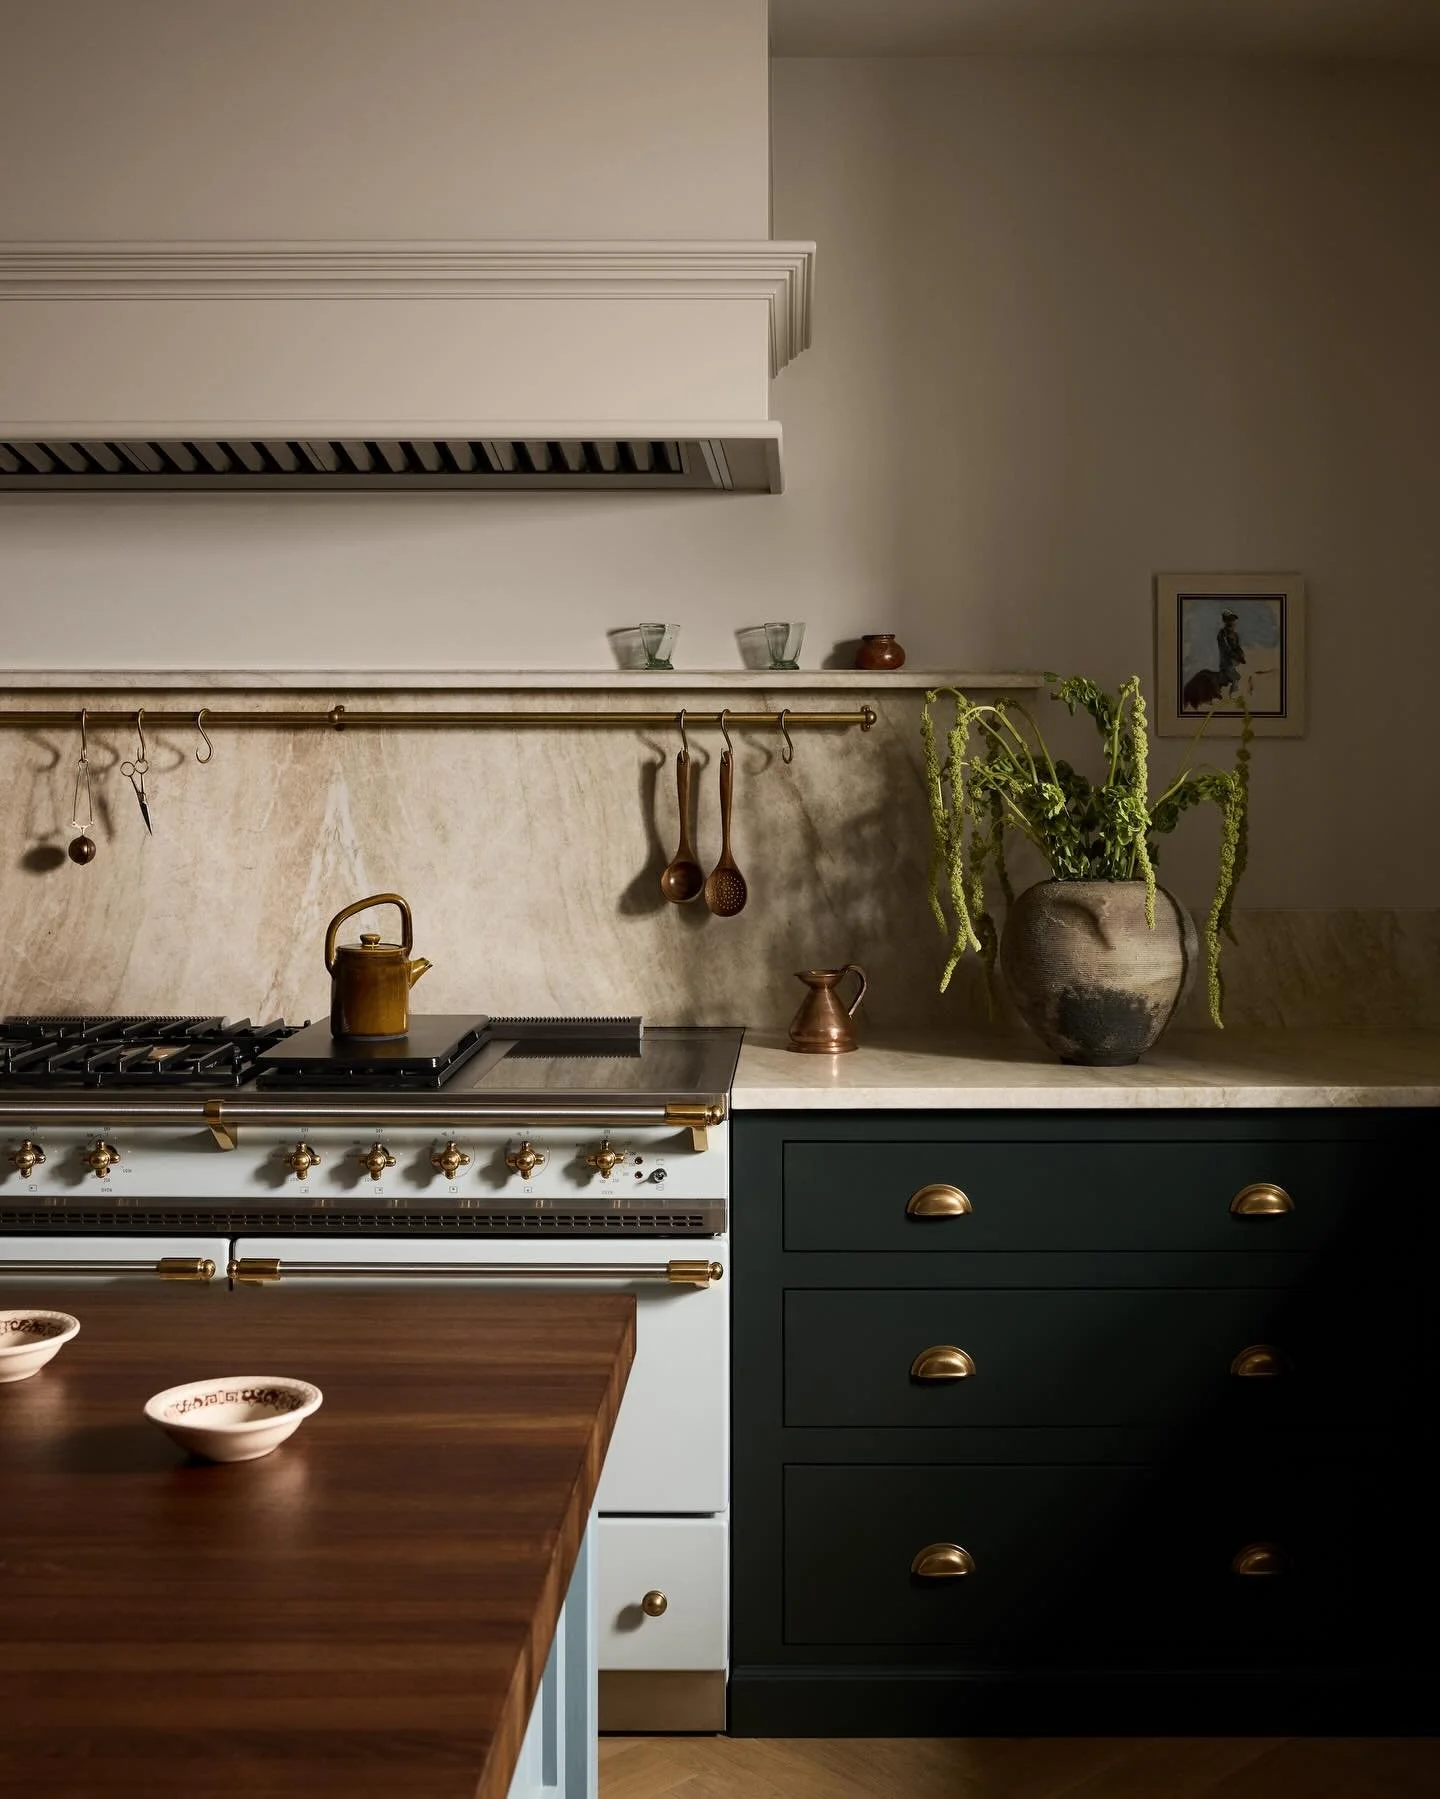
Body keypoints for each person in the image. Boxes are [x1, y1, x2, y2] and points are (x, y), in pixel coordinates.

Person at [1217, 609, 1245, 698]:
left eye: (1233, 620)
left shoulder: (1235, 635)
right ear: (1225, 621)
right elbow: (1225, 648)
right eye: (1229, 620)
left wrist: (1241, 654)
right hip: (1227, 663)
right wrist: (1236, 656)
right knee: (1235, 678)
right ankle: (1232, 697)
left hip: (1235, 662)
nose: (1232, 622)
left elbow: (1237, 647)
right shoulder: (1222, 634)